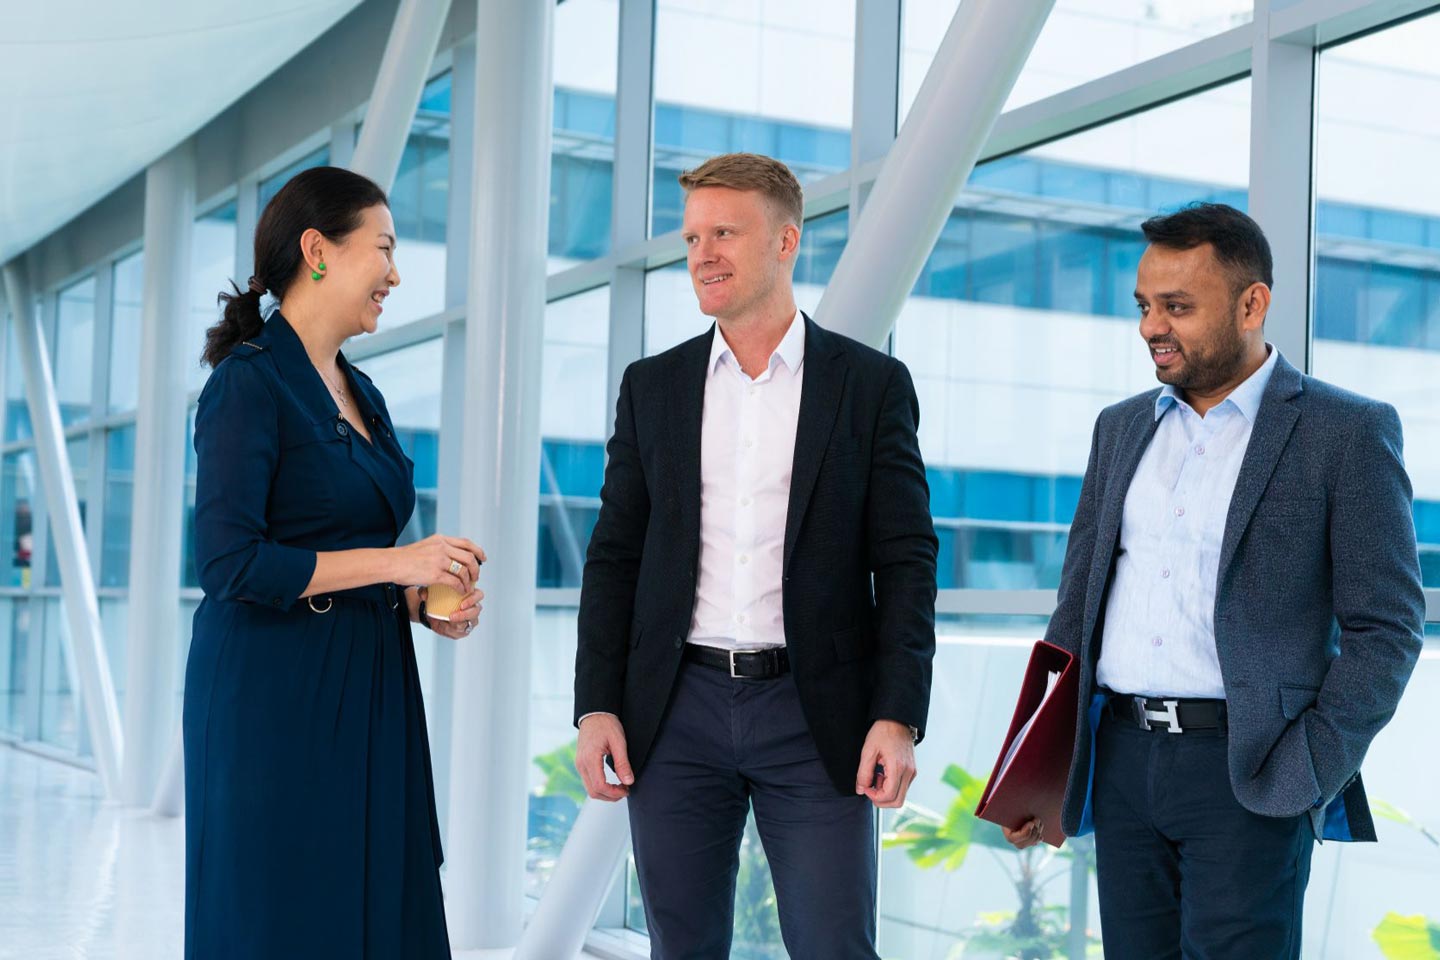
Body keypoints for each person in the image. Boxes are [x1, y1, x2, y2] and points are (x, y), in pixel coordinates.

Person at [1005, 203, 1425, 959]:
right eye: (1143, 306)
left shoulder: (1346, 433)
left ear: (1252, 303)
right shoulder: (1120, 427)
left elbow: (1388, 629)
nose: (1150, 327)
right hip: (1124, 762)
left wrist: (1308, 767)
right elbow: (1078, 609)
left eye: (1177, 307)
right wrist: (1045, 772)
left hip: (1250, 772)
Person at [572, 152, 938, 959]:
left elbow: (907, 559)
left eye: (725, 232)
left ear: (785, 242)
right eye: (693, 235)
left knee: (834, 944)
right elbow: (614, 558)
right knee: (682, 947)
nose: (701, 253)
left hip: (816, 715)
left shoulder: (870, 385)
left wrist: (898, 711)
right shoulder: (652, 387)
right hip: (675, 711)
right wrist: (596, 703)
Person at [183, 166, 485, 959]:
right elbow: (228, 562)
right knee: (289, 911)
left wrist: (417, 597)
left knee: (384, 902)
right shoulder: (246, 386)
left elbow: (358, 541)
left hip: (371, 683)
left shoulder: (363, 391)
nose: (395, 271)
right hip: (273, 701)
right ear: (317, 251)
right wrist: (394, 563)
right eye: (382, 248)